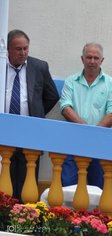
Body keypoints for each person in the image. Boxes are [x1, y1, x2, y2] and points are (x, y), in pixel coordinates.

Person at [5, 29, 60, 201]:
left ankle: (24, 217)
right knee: (6, 172)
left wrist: (36, 113)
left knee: (28, 175)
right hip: (4, 130)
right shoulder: (1, 66)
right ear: (8, 49)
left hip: (30, 131)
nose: (23, 53)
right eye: (18, 49)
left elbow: (52, 96)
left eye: (25, 49)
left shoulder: (39, 67)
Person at [59, 42, 112, 189]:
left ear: (102, 60)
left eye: (96, 58)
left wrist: (92, 134)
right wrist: (86, 131)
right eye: (89, 57)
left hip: (100, 144)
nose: (92, 61)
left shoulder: (111, 84)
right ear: (82, 59)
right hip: (73, 143)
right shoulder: (71, 81)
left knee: (98, 189)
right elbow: (65, 107)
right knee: (68, 187)